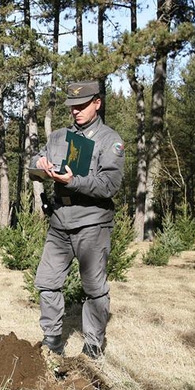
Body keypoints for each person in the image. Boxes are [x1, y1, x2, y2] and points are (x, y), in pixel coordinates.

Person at [31, 81, 125, 359]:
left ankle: (93, 344)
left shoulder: (110, 140)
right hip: (60, 221)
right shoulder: (59, 137)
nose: (76, 111)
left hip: (92, 224)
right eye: (72, 107)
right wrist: (38, 165)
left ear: (98, 103)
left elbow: (109, 185)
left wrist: (73, 181)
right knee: (47, 282)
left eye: (82, 105)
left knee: (94, 288)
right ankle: (51, 341)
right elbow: (38, 160)